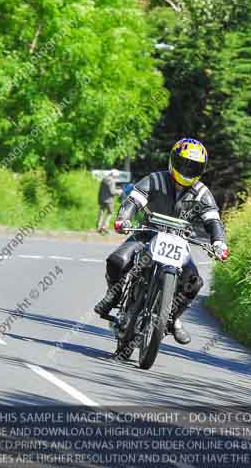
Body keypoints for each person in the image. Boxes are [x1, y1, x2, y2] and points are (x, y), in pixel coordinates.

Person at [94, 138, 229, 345]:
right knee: (117, 261)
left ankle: (173, 318)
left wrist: (219, 243)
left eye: (194, 166)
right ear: (173, 160)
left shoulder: (203, 193)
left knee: (194, 283)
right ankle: (114, 294)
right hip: (148, 232)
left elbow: (213, 220)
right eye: (184, 163)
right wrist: (123, 218)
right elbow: (133, 201)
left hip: (179, 242)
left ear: (201, 169)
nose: (187, 169)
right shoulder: (155, 179)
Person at [97, 169, 122, 234]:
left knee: (101, 213)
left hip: (102, 199)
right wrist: (119, 192)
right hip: (109, 200)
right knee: (110, 213)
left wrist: (99, 199)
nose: (116, 177)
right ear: (114, 175)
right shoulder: (112, 181)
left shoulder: (103, 180)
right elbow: (112, 191)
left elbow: (99, 191)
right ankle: (105, 226)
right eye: (116, 176)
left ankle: (99, 227)